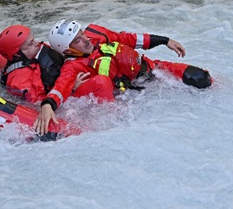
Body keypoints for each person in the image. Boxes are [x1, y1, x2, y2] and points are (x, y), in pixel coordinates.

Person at [34, 19, 213, 135]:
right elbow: (61, 86)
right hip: (125, 92)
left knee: (200, 78)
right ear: (67, 50)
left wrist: (165, 40)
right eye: (77, 40)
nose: (86, 39)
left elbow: (128, 38)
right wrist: (48, 104)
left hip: (150, 70)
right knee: (102, 81)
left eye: (81, 33)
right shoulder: (72, 67)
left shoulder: (96, 33)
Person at [0, 24, 114, 103]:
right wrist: (71, 89)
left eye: (33, 39)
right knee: (101, 82)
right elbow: (40, 106)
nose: (37, 43)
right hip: (64, 94)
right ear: (17, 54)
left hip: (68, 79)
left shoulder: (37, 50)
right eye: (31, 44)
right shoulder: (22, 80)